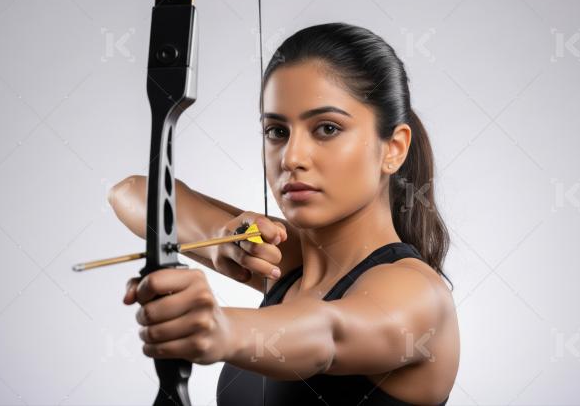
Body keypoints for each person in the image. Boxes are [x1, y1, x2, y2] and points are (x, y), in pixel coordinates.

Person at [111, 22, 459, 405]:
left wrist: (220, 328)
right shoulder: (285, 262)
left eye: (327, 128)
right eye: (277, 131)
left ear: (393, 148)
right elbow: (130, 194)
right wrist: (219, 241)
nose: (291, 158)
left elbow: (327, 335)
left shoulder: (417, 294)